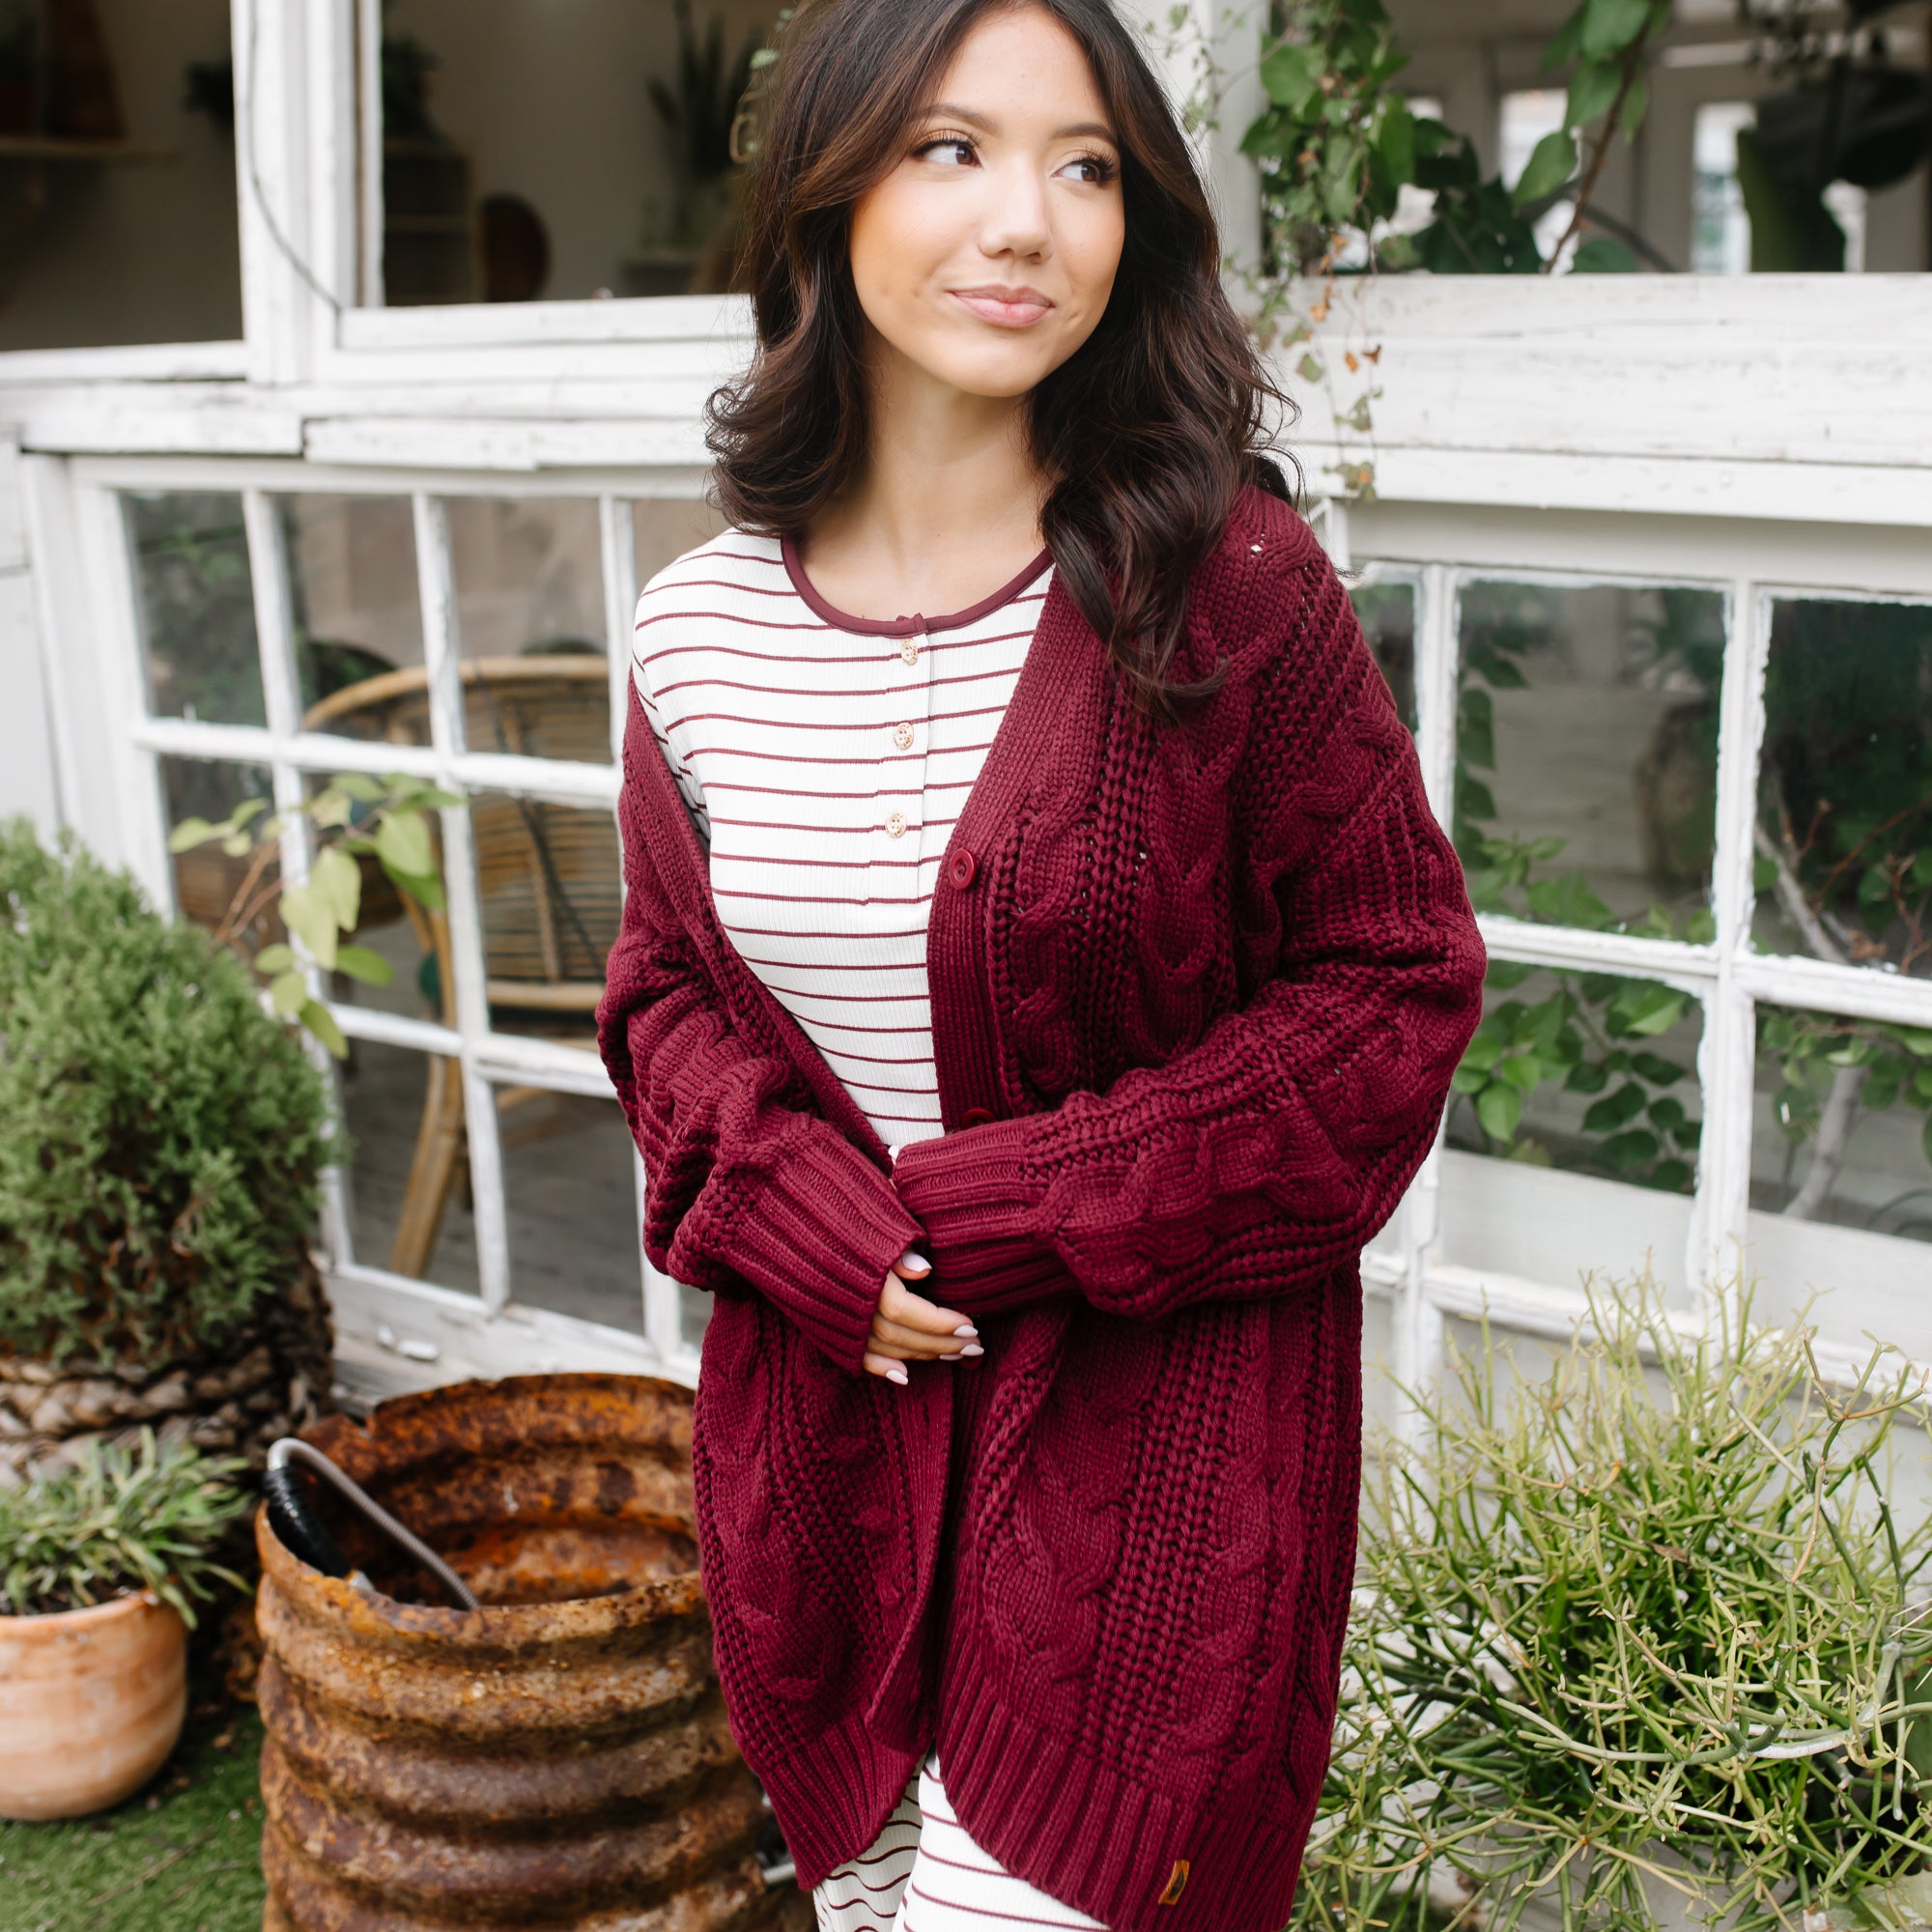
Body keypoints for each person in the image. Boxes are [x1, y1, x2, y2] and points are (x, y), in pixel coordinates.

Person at [595, 1, 1485, 1927]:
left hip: (1151, 1487)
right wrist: (799, 1214)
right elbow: (664, 997)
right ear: (823, 193)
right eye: (952, 150)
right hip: (829, 1475)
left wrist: (1003, 1207)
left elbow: (1386, 990)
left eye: (1085, 167)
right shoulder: (693, 631)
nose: (1027, 220)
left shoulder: (1224, 584)